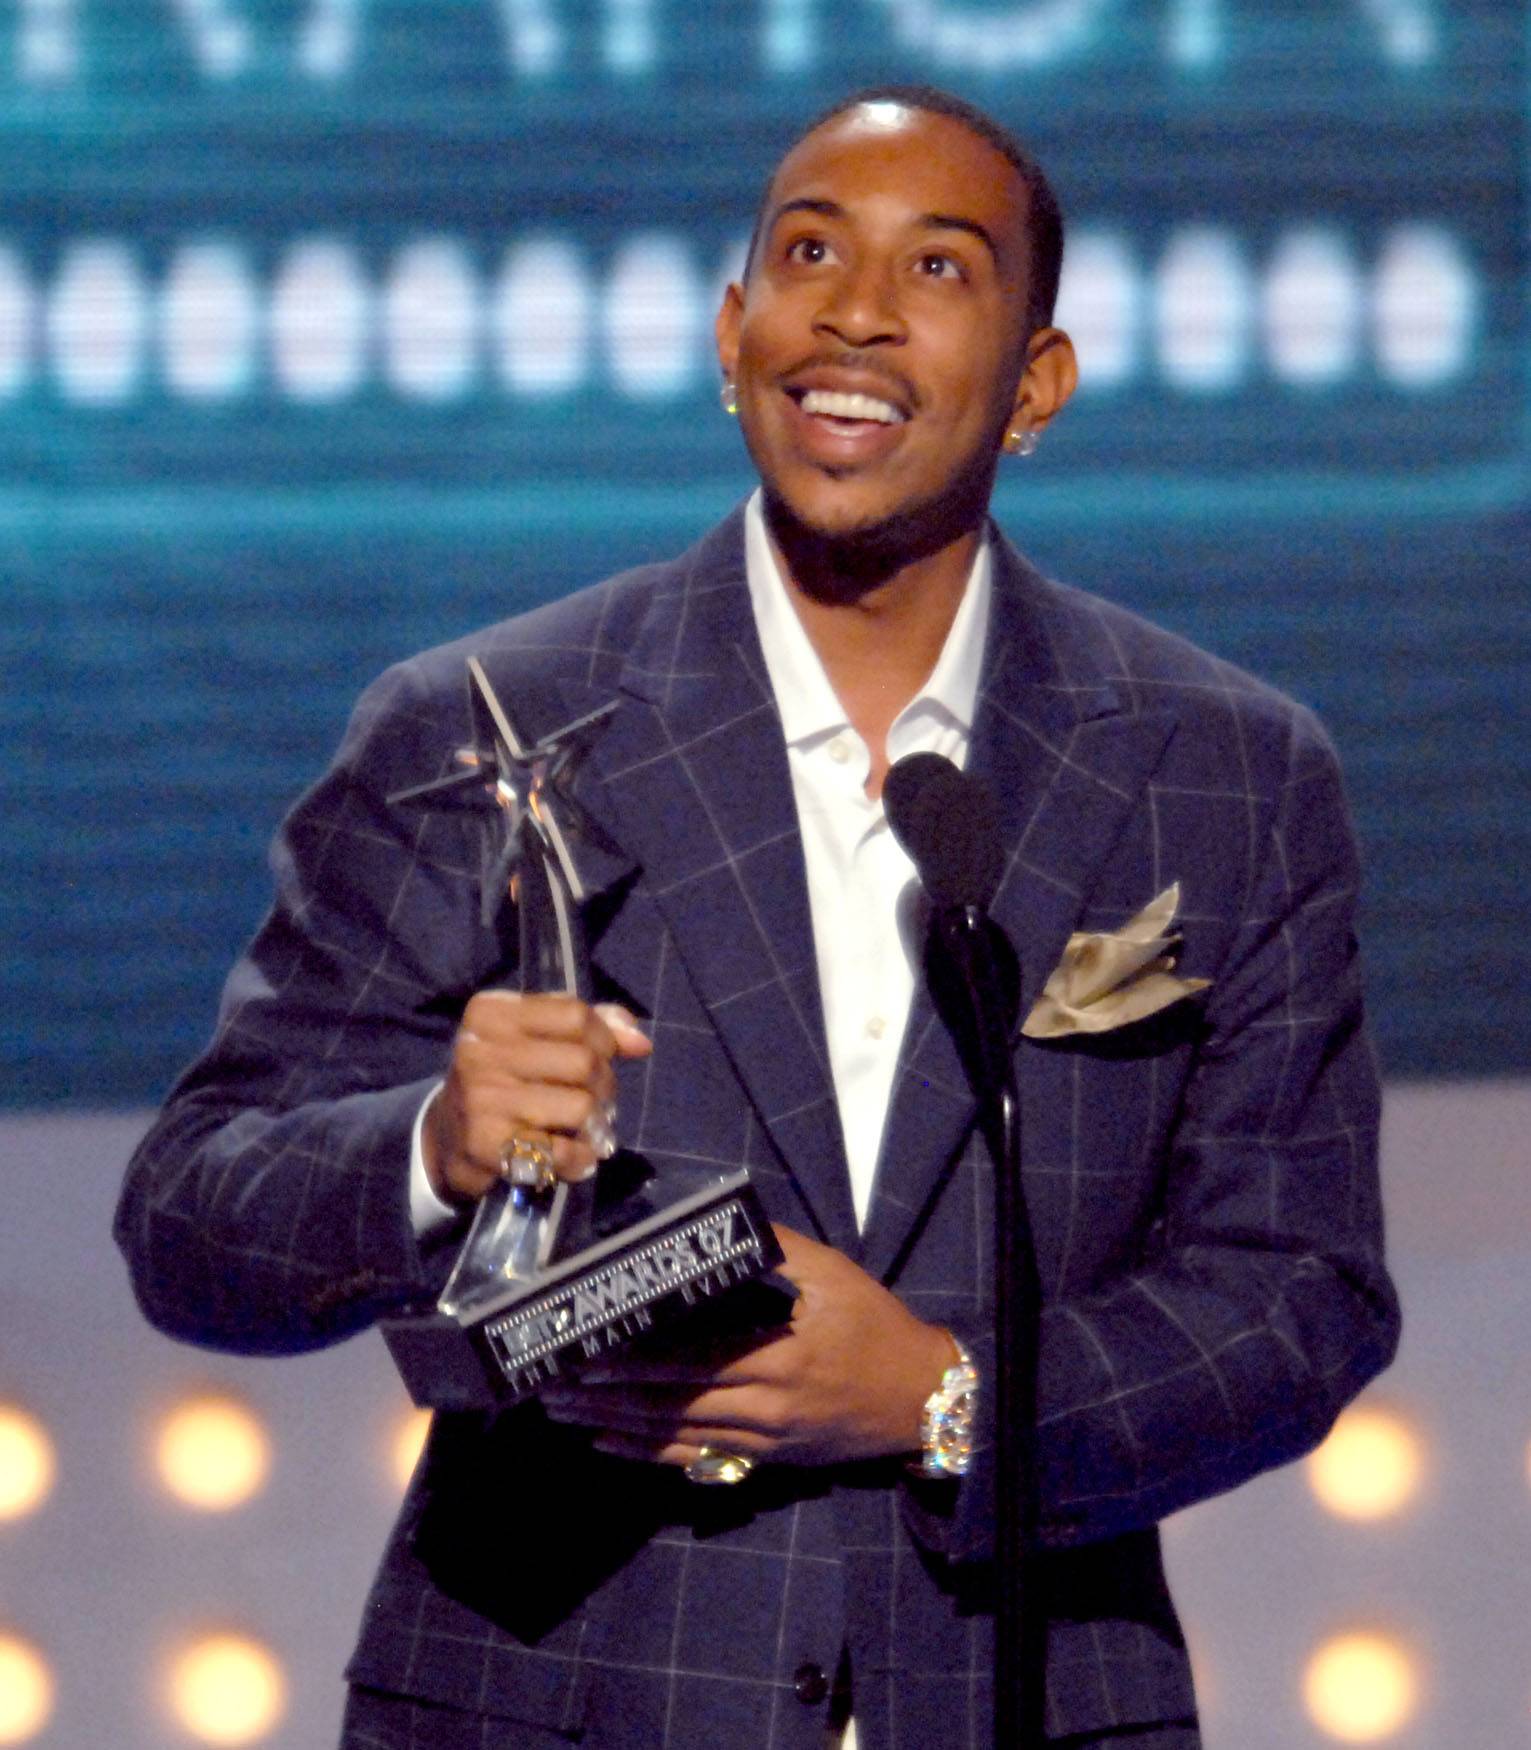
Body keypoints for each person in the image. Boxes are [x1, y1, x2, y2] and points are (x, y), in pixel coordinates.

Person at [116, 85, 1400, 1750]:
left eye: (936, 268)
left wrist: (939, 1395)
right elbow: (191, 1222)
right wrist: (433, 1146)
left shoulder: (1223, 771)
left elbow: (1300, 1298)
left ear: (1037, 384)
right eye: (809, 254)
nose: (854, 312)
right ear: (734, 337)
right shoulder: (484, 722)